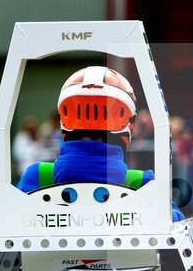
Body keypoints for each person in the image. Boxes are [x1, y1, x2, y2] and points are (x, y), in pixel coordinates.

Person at [15, 66, 184, 223]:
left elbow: (11, 225)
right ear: (127, 123)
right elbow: (173, 234)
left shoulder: (36, 177)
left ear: (65, 119)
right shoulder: (144, 183)